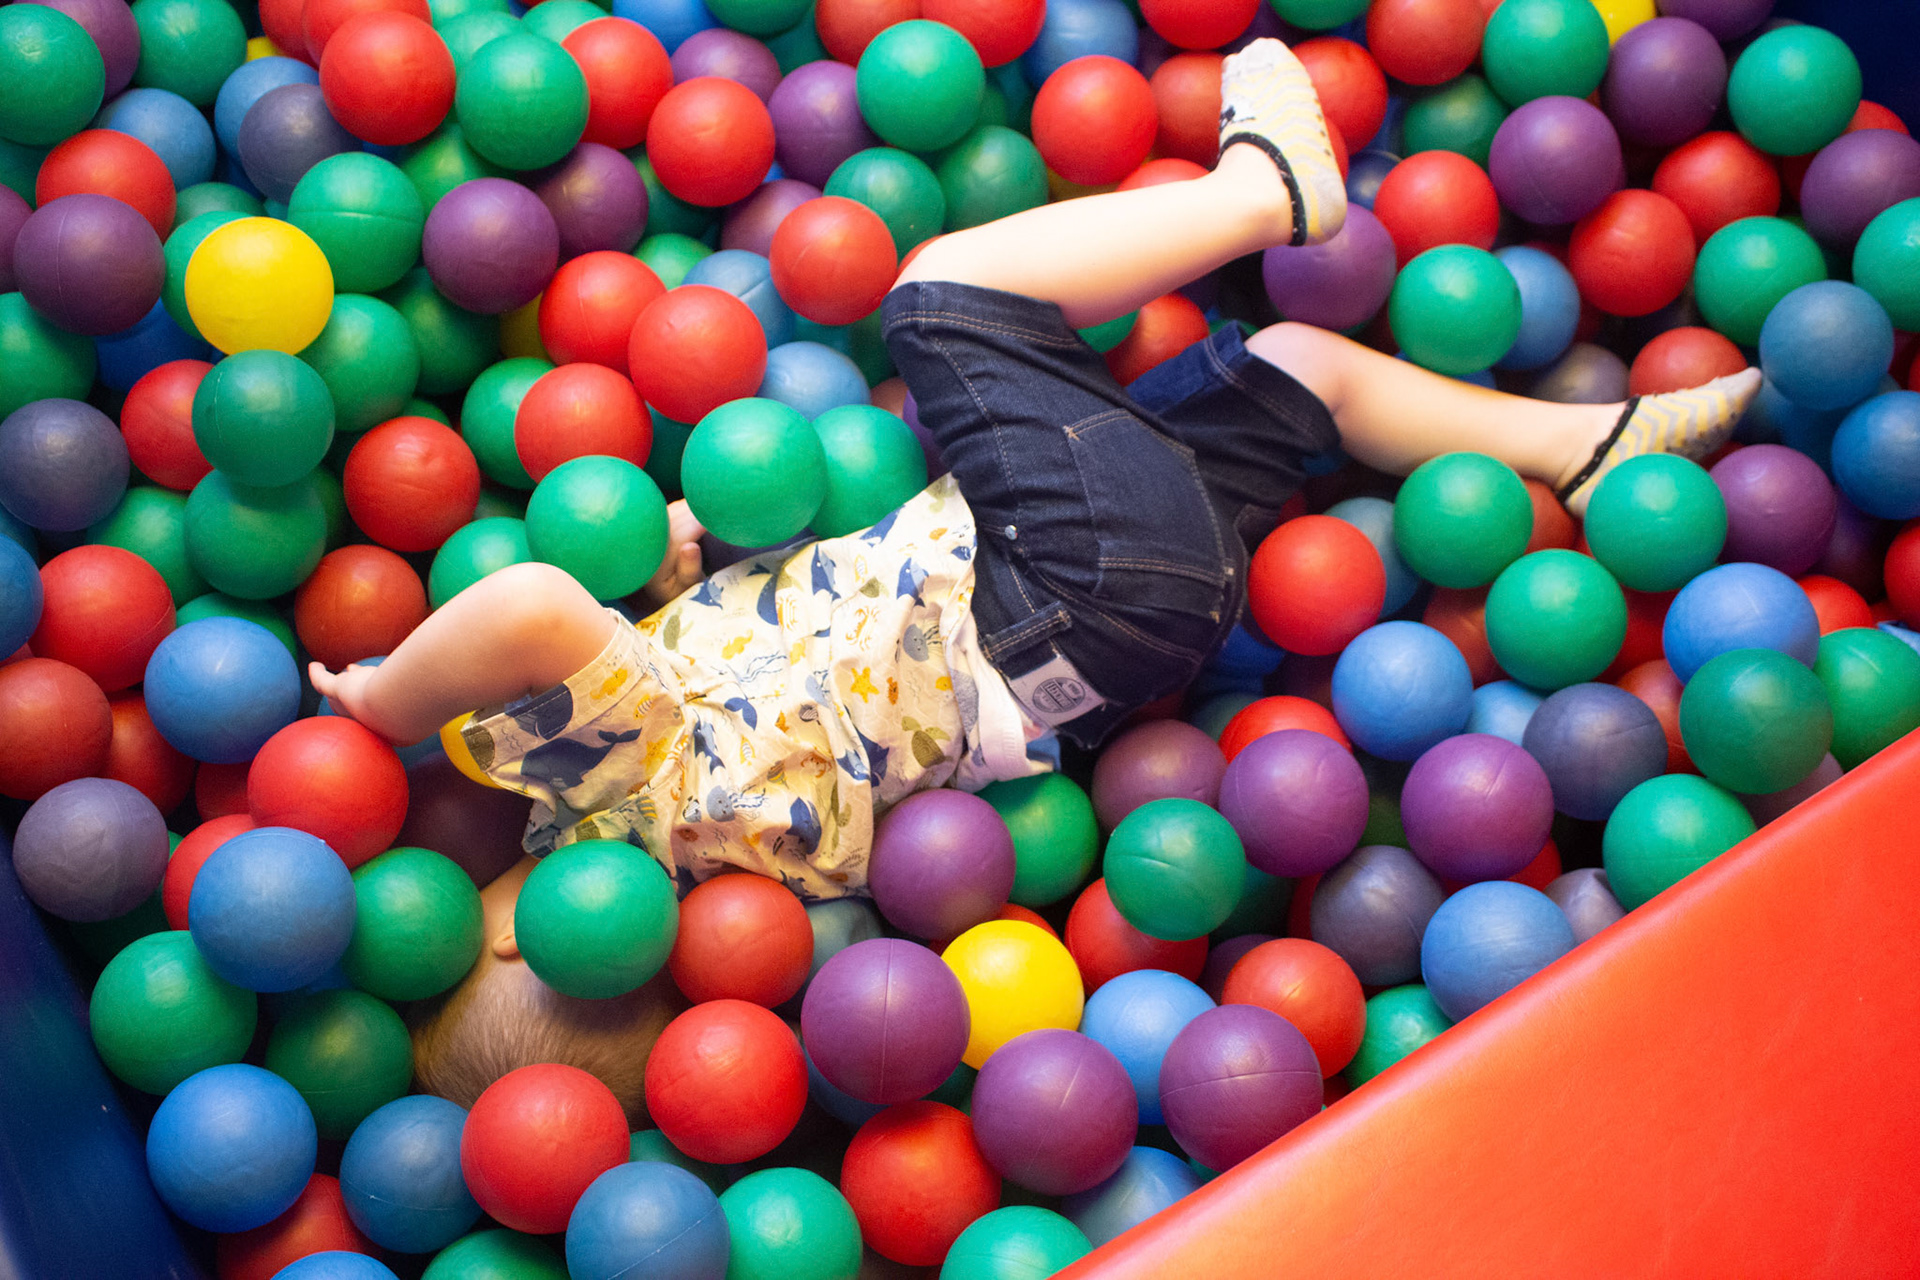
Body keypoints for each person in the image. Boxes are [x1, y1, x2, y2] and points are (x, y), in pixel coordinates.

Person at [314, 38, 1761, 1119]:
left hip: (1112, 641)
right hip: (1053, 576)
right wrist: (388, 705)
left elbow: (753, 676)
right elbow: (528, 610)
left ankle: (1577, 448)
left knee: (1291, 369)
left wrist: (684, 576)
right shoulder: (610, 795)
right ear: (526, 938)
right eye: (470, 940)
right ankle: (1264, 193)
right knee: (940, 294)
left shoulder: (744, 869)